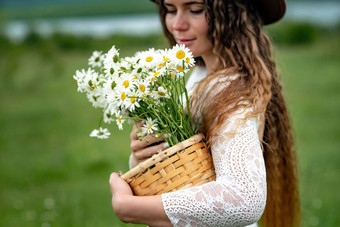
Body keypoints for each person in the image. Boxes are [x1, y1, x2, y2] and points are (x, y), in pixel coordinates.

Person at [109, 0, 300, 226]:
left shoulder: (231, 90)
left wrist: (129, 207)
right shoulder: (201, 74)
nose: (177, 24)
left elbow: (244, 198)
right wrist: (145, 154)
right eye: (170, 10)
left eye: (195, 10)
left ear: (232, 16)